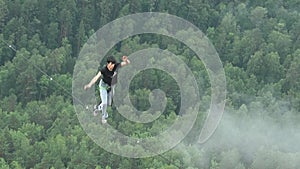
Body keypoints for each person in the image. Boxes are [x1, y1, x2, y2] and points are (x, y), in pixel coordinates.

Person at [84, 56, 130, 123]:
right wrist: (89, 85)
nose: (112, 66)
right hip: (103, 86)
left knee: (108, 103)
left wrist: (126, 60)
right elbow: (96, 78)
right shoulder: (104, 70)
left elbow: (127, 63)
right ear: (108, 64)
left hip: (111, 87)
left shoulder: (116, 66)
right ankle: (104, 117)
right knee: (105, 103)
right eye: (111, 65)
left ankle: (97, 108)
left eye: (113, 65)